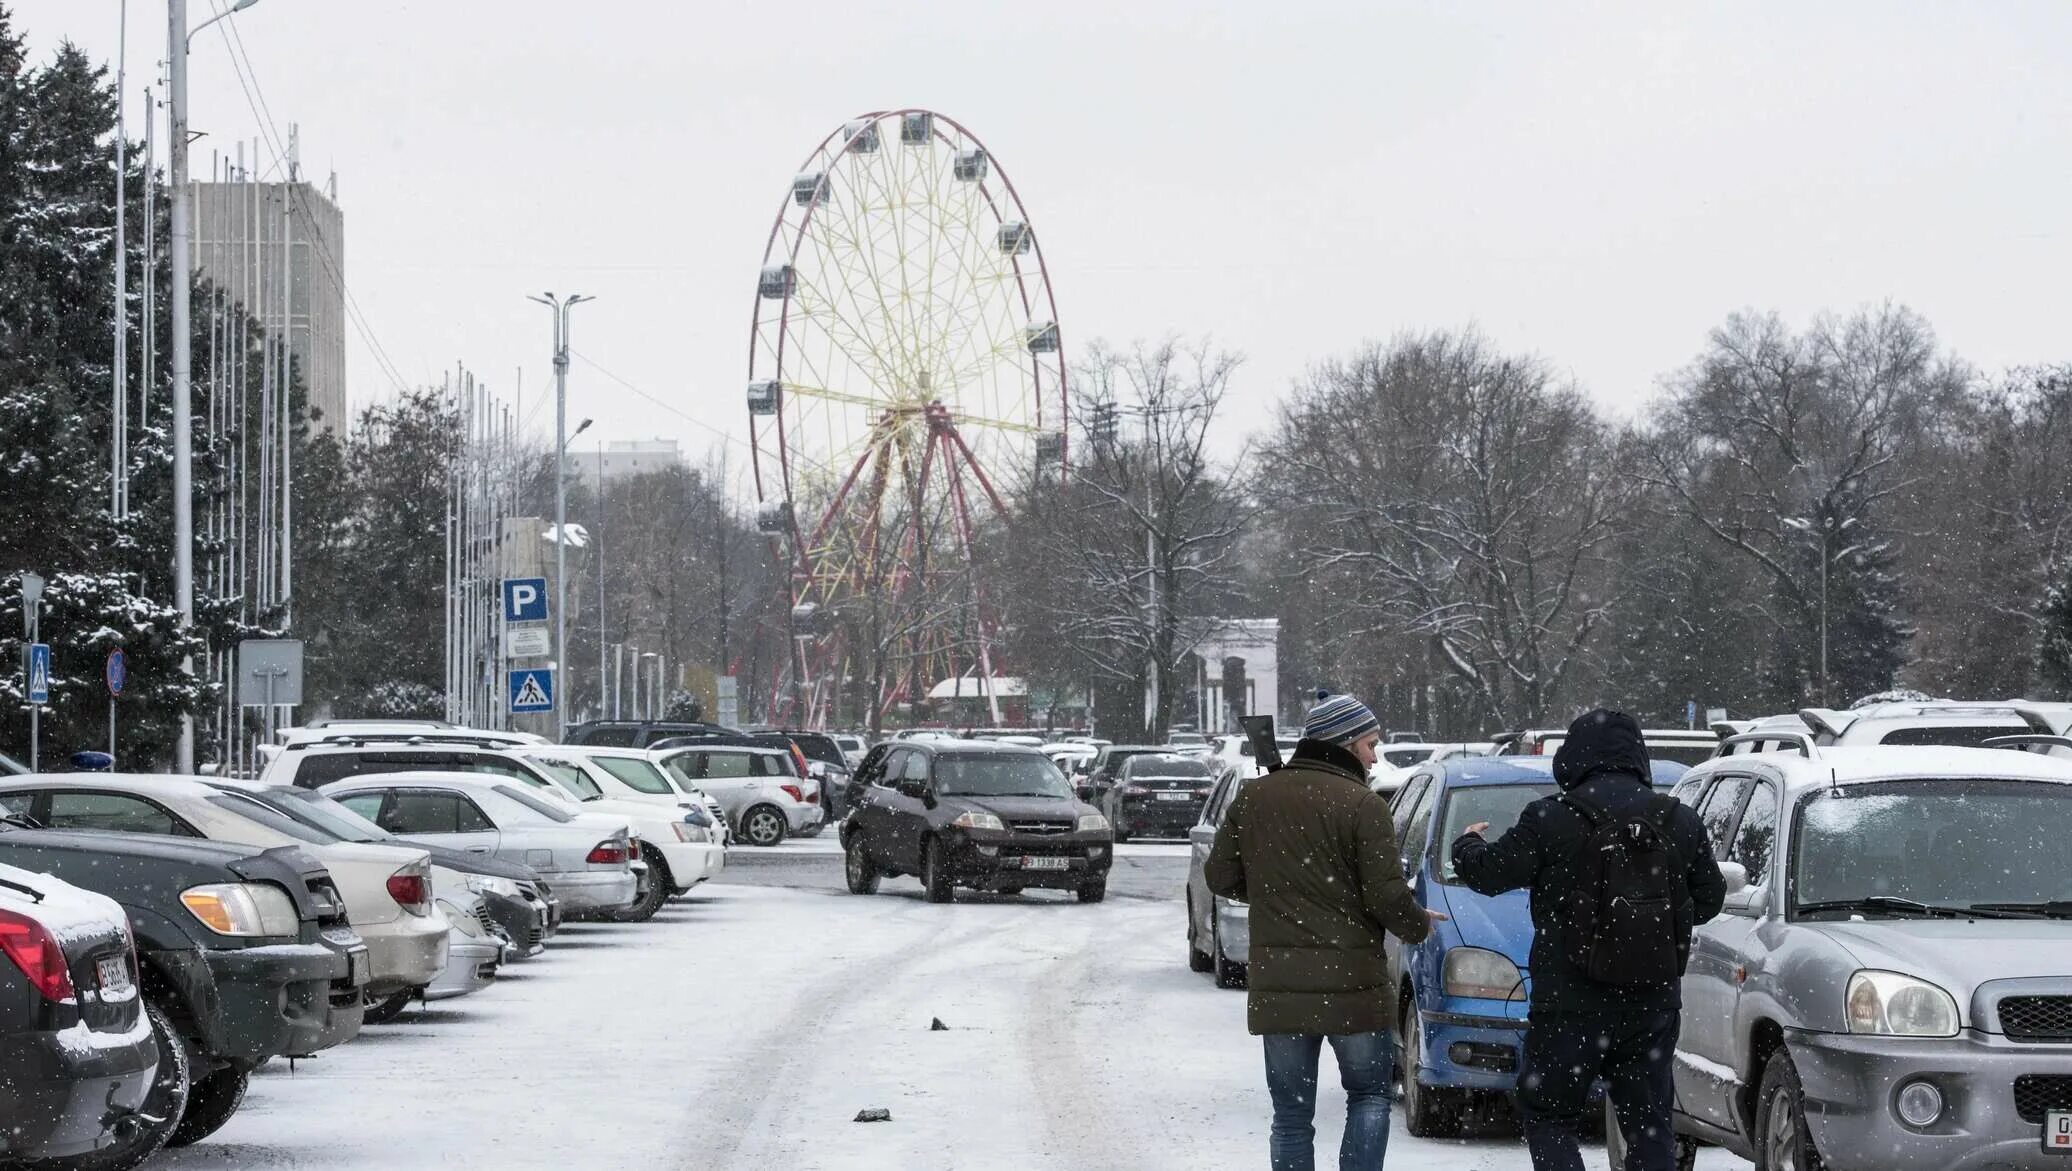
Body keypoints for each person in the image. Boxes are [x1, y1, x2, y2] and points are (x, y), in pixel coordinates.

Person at [1451, 709, 1726, 1171]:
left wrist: (1466, 845)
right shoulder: (1678, 819)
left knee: (1549, 1116)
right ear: (1638, 755)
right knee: (1649, 1125)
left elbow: (1490, 874)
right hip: (1650, 1003)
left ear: (1573, 758)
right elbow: (1711, 898)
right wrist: (1655, 925)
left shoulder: (1550, 818)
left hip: (1569, 1002)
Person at [1204, 690, 1445, 1171]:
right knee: (1370, 1097)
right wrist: (1418, 924)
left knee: (1291, 1116)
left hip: (1282, 987)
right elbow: (1385, 896)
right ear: (1346, 742)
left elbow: (1220, 876)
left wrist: (1279, 893)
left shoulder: (1255, 797)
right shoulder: (1362, 805)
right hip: (1353, 984)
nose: (1376, 755)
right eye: (1371, 743)